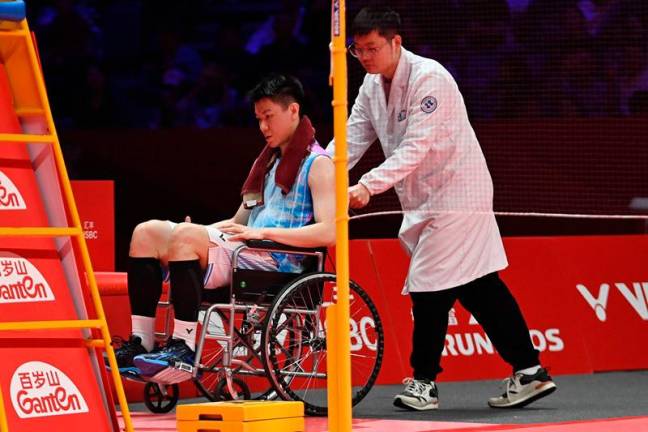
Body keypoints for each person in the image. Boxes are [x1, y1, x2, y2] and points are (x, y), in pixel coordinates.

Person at [327, 7, 556, 410]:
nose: (363, 56)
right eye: (357, 49)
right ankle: (529, 370)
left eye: (372, 48)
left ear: (395, 42)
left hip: (457, 197)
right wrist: (320, 170)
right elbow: (353, 135)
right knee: (479, 287)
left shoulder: (430, 78)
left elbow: (417, 145)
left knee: (428, 286)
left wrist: (367, 186)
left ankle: (423, 382)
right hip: (424, 200)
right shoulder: (370, 84)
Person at [112, 74, 335, 379]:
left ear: (293, 110)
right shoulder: (267, 165)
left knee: (186, 236)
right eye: (258, 119)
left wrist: (263, 233)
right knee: (145, 232)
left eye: (269, 117)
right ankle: (142, 341)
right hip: (247, 251)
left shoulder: (318, 164)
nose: (263, 128)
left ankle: (184, 347)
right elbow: (236, 223)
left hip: (277, 262)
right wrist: (188, 232)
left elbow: (329, 232)